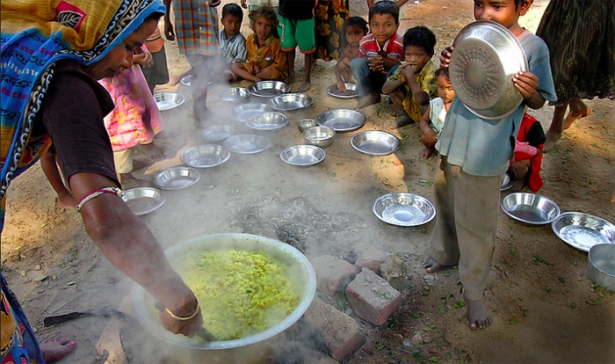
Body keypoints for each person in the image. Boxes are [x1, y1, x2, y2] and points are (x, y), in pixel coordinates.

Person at [1, 1, 204, 362]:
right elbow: (105, 220)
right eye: (128, 45)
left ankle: (22, 349)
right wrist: (180, 299)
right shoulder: (62, 76)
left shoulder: (35, 41)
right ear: (98, 30)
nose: (130, 61)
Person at [423, 0, 556, 330]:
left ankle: (474, 292)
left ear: (523, 5)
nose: (484, 14)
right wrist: (452, 63)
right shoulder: (477, 34)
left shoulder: (531, 47)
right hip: (455, 135)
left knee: (478, 224)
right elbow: (462, 77)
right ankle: (445, 253)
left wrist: (530, 93)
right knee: (446, 199)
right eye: (479, 4)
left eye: (496, 5)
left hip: (489, 149)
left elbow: (541, 98)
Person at [535, 0, 615, 151]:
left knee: (566, 61)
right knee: (551, 54)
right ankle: (576, 106)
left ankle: (556, 128)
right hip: (567, 5)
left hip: (593, 8)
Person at [99, 50, 166, 188]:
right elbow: (102, 62)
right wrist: (133, 60)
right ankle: (124, 177)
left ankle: (128, 163)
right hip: (113, 85)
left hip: (126, 77)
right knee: (121, 131)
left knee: (135, 118)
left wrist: (142, 52)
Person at [163, 0, 221, 126]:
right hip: (187, 21)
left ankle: (202, 108)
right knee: (199, 68)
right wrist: (166, 20)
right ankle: (198, 111)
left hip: (207, 18)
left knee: (207, 64)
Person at [350, 1, 404, 109]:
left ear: (396, 26)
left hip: (391, 82)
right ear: (369, 25)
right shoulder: (365, 42)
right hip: (373, 77)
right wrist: (370, 61)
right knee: (356, 63)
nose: (381, 30)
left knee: (399, 69)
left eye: (387, 25)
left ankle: (394, 100)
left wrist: (388, 63)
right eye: (375, 25)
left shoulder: (401, 44)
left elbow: (408, 67)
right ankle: (370, 95)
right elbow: (360, 64)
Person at [382, 26, 437, 129]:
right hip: (414, 106)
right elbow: (385, 89)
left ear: (429, 55)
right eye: (408, 54)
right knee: (394, 91)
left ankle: (429, 125)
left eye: (418, 55)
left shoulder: (431, 70)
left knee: (422, 100)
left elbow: (422, 100)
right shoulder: (404, 68)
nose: (412, 60)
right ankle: (408, 117)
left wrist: (411, 78)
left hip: (429, 110)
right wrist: (401, 80)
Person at [231, 5, 287, 83]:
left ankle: (249, 77)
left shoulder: (275, 43)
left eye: (267, 25)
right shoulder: (250, 40)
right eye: (259, 24)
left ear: (272, 27)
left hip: (267, 71)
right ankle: (256, 80)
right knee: (235, 66)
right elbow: (250, 58)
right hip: (255, 70)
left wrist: (261, 69)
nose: (263, 29)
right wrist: (252, 67)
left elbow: (280, 65)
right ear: (254, 24)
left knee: (268, 72)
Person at [277, 0, 317, 92]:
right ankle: (291, 74)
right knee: (288, 43)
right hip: (285, 9)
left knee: (307, 46)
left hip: (305, 10)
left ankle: (307, 79)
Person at [418, 67, 455, 159]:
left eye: (450, 88)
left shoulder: (460, 106)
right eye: (440, 87)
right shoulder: (435, 103)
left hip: (454, 139)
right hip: (437, 135)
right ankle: (429, 149)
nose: (444, 92)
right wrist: (428, 131)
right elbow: (424, 120)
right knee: (425, 138)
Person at [508, 113, 546, 192]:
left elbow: (538, 151)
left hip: (525, 155)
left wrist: (521, 147)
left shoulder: (531, 124)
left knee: (517, 164)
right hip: (506, 150)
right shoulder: (498, 117)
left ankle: (520, 179)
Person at [334, 17, 369, 92]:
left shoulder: (366, 48)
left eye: (357, 33)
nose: (353, 37)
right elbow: (337, 67)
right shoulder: (346, 50)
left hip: (364, 79)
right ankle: (348, 83)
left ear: (364, 33)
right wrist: (339, 80)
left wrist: (350, 63)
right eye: (349, 34)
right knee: (342, 64)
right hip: (352, 79)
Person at [218, 3, 248, 83]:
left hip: (230, 71)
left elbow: (239, 61)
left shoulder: (241, 41)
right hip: (216, 68)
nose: (233, 26)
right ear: (222, 21)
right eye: (230, 22)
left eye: (237, 22)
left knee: (228, 75)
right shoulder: (217, 36)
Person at [141, 27, 170, 93]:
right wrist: (139, 46)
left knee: (154, 78)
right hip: (139, 44)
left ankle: (150, 96)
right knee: (143, 80)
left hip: (155, 39)